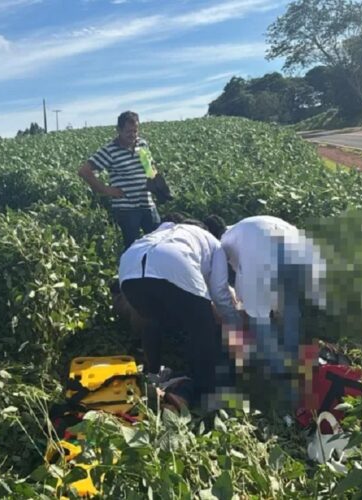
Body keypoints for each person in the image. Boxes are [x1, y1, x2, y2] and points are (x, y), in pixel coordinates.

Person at [118, 220, 239, 407]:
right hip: (174, 263)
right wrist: (233, 326)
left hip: (129, 269)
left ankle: (154, 375)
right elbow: (220, 293)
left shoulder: (166, 229)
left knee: (152, 319)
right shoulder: (214, 245)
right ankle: (200, 394)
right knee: (203, 330)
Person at [219, 215, 327, 411]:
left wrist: (244, 308)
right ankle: (297, 367)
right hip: (301, 255)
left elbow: (242, 279)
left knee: (259, 322)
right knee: (290, 313)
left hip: (265, 260)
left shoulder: (225, 241)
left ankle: (285, 383)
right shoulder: (249, 225)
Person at [78, 111, 160, 250]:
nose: (133, 135)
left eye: (135, 131)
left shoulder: (142, 144)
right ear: (119, 130)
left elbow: (149, 167)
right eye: (129, 131)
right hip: (126, 208)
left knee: (159, 242)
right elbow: (84, 171)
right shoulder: (109, 150)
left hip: (147, 202)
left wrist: (156, 181)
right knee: (132, 248)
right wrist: (106, 190)